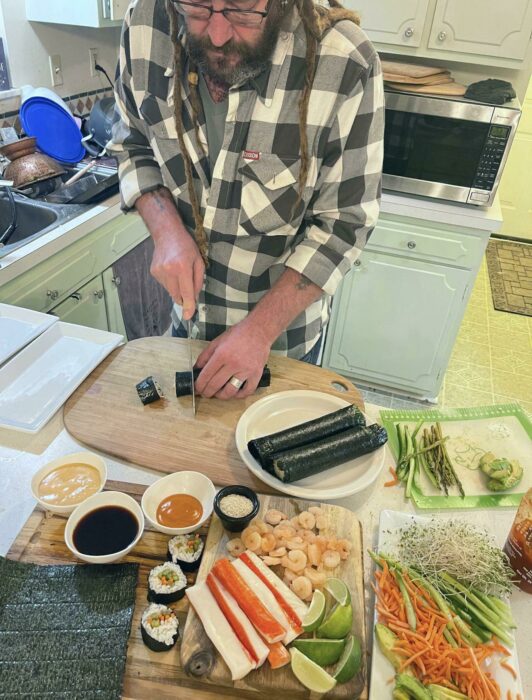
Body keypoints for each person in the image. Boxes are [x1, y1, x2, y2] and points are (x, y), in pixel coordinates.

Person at [107, 0, 384, 400]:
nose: (217, 36)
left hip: (281, 347)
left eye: (241, 11)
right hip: (187, 329)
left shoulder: (343, 61)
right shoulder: (145, 23)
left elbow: (346, 224)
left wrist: (258, 333)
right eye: (197, 8)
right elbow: (130, 142)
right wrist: (166, 229)